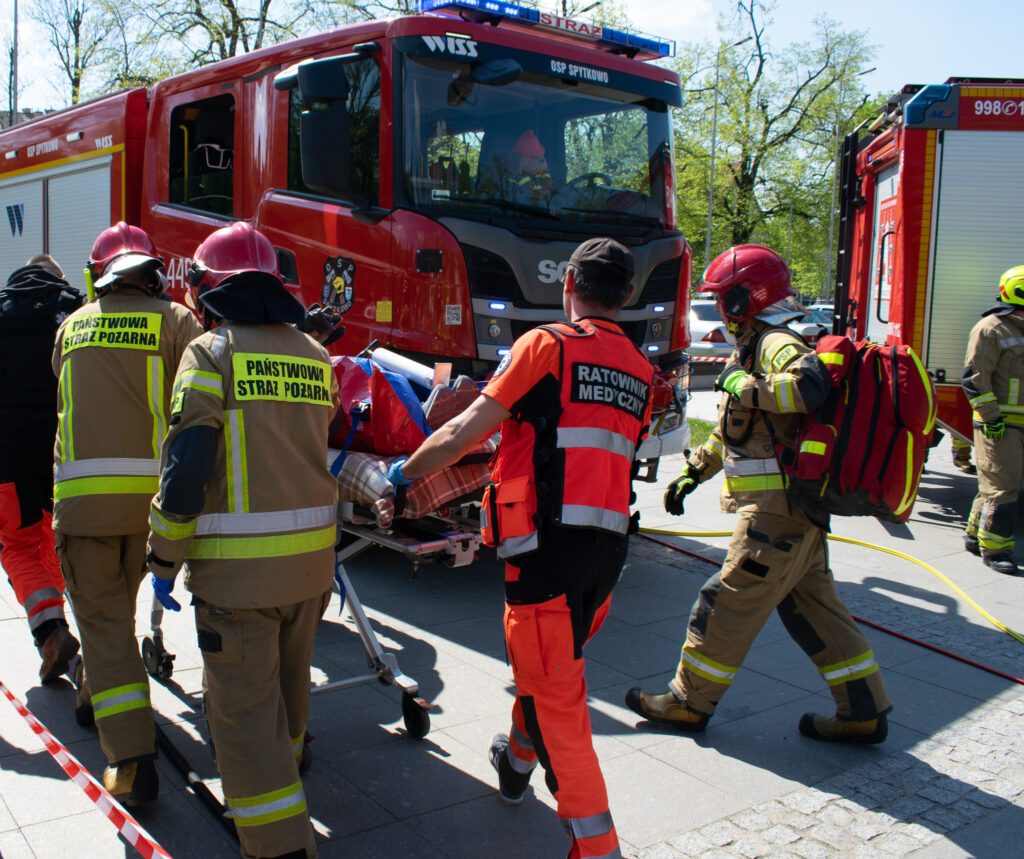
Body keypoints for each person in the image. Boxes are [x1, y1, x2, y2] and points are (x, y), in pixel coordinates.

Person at [390, 237, 653, 859]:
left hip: (544, 554)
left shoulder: (547, 346)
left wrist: (403, 476)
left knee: (558, 698)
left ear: (569, 284)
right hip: (604, 556)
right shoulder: (639, 370)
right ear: (628, 296)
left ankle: (597, 846)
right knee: (548, 670)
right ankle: (514, 763)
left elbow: (460, 433)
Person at [626, 244, 892, 744]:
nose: (721, 309)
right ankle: (863, 709)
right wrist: (694, 472)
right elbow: (739, 427)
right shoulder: (756, 344)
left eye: (723, 297)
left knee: (723, 603)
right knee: (815, 609)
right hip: (796, 516)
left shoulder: (776, 344)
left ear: (742, 299)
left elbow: (805, 390)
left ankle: (688, 702)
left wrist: (741, 383)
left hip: (776, 517)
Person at [146, 222, 339, 859]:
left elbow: (189, 463)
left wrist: (163, 555)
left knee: (245, 720)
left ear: (209, 292)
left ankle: (279, 846)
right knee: (288, 702)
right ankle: (282, 795)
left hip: (237, 579)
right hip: (311, 571)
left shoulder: (209, 353)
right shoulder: (314, 355)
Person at [52, 222, 202, 806]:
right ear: (154, 272)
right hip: (154, 507)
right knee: (113, 621)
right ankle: (93, 690)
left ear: (97, 276)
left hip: (85, 509)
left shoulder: (70, 328)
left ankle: (133, 763)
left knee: (105, 625)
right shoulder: (177, 322)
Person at [0, 255, 83, 681]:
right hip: (64, 453)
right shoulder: (77, 312)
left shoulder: (2, 311)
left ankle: (50, 632)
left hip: (9, 458)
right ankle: (55, 625)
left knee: (16, 545)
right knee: (56, 538)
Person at [961, 265, 1024, 574]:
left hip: (1017, 423)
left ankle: (975, 535)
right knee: (1004, 486)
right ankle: (997, 549)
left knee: (997, 482)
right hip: (1000, 423)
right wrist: (991, 417)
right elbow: (975, 378)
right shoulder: (991, 328)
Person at [508, 130, 553, 200]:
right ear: (519, 159)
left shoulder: (541, 173)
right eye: (532, 157)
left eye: (539, 156)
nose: (540, 160)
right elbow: (527, 192)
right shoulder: (517, 178)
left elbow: (547, 176)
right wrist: (537, 191)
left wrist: (547, 183)